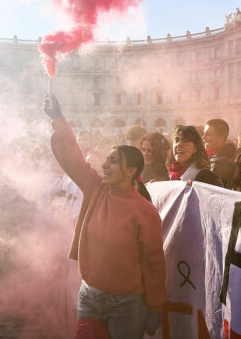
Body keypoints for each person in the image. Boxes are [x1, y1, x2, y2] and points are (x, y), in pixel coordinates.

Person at [44, 95, 166, 338]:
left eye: (113, 161)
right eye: (107, 159)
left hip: (127, 305)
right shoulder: (95, 187)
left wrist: (155, 307)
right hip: (89, 296)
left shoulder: (145, 211)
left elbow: (154, 264)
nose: (105, 165)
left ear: (131, 171)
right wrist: (58, 119)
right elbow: (72, 158)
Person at [202, 119, 238, 188]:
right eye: (204, 133)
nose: (203, 137)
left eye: (208, 134)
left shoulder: (221, 163)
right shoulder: (211, 156)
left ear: (220, 138)